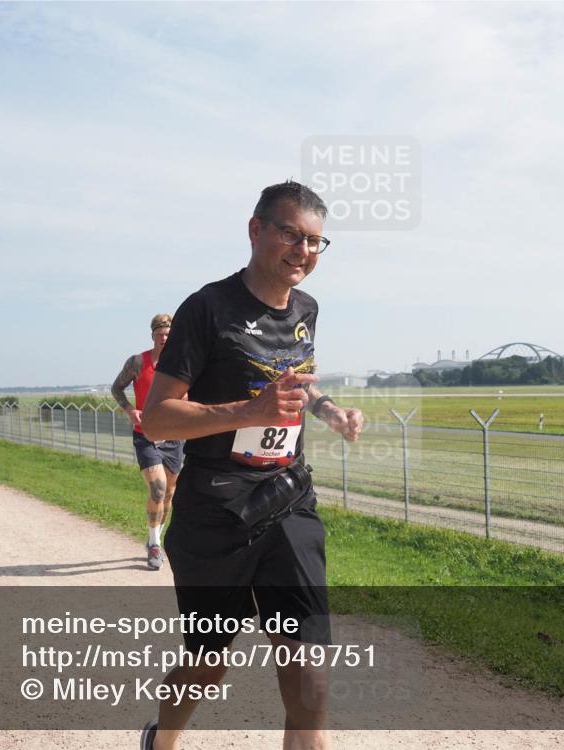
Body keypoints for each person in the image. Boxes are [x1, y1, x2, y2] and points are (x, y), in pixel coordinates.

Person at [140, 181, 364, 750]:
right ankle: (160, 741)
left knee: (309, 669)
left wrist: (331, 411)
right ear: (255, 229)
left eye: (315, 240)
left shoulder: (307, 310)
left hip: (288, 500)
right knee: (208, 666)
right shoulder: (207, 308)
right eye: (290, 233)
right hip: (216, 515)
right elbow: (159, 418)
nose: (303, 250)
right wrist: (252, 409)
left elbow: (298, 386)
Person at [111, 314, 184, 570]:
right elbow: (116, 388)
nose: (164, 338)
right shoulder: (137, 362)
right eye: (160, 333)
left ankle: (156, 538)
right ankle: (154, 545)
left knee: (169, 496)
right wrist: (130, 410)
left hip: (175, 436)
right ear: (152, 335)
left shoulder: (182, 362)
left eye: (168, 333)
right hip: (146, 433)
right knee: (158, 488)